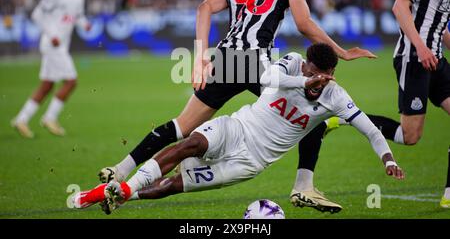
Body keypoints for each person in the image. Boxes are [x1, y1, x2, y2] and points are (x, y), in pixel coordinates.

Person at [96, 0, 375, 212]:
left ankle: (120, 168)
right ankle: (304, 187)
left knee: (181, 126)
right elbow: (304, 23)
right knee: (310, 111)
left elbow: (204, 7)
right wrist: (341, 52)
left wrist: (201, 56)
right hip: (257, 62)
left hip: (227, 60)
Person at [71, 43, 404, 215]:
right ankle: (125, 188)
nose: (321, 82)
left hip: (250, 163)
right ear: (307, 65)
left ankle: (126, 196)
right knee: (189, 143)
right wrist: (305, 79)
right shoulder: (290, 62)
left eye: (327, 76)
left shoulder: (335, 96)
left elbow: (370, 129)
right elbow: (267, 78)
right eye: (317, 73)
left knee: (176, 185)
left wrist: (387, 158)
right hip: (237, 127)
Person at [311, 0, 450, 209]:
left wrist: (436, 45)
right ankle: (344, 118)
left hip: (436, 58)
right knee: (409, 136)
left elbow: (438, 26)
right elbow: (399, 7)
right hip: (414, 58)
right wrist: (421, 46)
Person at [11, 0, 91, 138]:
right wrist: (52, 34)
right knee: (71, 82)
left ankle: (21, 119)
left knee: (47, 86)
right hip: (52, 44)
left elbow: (77, 16)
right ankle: (49, 117)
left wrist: (85, 24)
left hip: (61, 45)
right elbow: (37, 15)